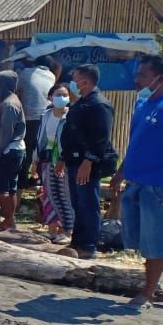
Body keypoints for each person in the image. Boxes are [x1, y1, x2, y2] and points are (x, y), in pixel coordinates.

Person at [116, 55, 163, 308]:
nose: (138, 80)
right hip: (136, 181)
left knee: (154, 241)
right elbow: (135, 142)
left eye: (143, 75)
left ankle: (146, 292)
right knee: (144, 238)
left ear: (161, 78)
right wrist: (121, 172)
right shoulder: (144, 104)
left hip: (158, 184)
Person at [59, 64, 117, 259]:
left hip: (88, 164)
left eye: (76, 79)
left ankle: (89, 245)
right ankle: (78, 242)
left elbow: (100, 137)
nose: (73, 83)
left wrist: (89, 161)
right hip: (74, 160)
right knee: (78, 203)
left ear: (86, 80)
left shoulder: (99, 104)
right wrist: (63, 157)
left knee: (88, 203)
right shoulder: (82, 102)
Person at [30, 83, 74, 245]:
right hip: (47, 159)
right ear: (50, 97)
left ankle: (67, 230)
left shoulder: (70, 116)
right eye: (58, 94)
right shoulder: (46, 115)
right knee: (49, 194)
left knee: (64, 195)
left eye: (65, 95)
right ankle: (52, 229)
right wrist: (35, 161)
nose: (62, 98)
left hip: (64, 161)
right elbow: (40, 139)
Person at [0, 71, 26, 232]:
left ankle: (8, 221)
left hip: (9, 150)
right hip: (14, 149)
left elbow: (6, 133)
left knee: (2, 188)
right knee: (11, 187)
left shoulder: (9, 105)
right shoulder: (11, 101)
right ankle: (10, 221)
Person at [17, 56, 58, 188]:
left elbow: (18, 90)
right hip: (47, 117)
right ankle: (41, 178)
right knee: (43, 148)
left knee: (28, 149)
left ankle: (22, 179)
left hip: (30, 117)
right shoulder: (51, 76)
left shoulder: (25, 73)